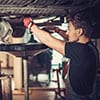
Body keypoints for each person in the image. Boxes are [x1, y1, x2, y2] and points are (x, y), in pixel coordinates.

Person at [23, 10, 99, 100]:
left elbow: (49, 40)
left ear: (79, 32)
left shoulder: (80, 50)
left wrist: (30, 25)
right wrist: (57, 30)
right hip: (84, 94)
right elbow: (70, 38)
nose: (67, 32)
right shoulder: (88, 47)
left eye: (69, 29)